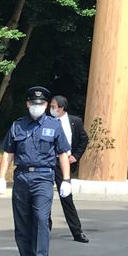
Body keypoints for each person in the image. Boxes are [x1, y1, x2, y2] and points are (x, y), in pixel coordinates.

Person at [0, 86, 72, 256]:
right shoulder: (18, 125)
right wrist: (0, 177)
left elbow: (62, 153)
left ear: (46, 105)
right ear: (27, 104)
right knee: (21, 221)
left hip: (43, 177)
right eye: (33, 103)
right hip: (21, 177)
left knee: (40, 219)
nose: (36, 106)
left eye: (41, 103)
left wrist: (66, 180)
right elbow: (8, 152)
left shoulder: (54, 125)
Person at [48, 95, 89, 243]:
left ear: (61, 108)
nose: (51, 109)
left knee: (66, 197)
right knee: (45, 196)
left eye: (53, 106)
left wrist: (76, 156)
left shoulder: (75, 121)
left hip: (64, 164)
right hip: (48, 162)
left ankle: (77, 231)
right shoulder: (46, 121)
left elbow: (84, 139)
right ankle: (45, 229)